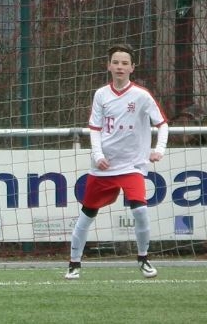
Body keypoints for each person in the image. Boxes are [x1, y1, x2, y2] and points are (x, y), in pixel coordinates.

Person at [65, 44, 169, 280]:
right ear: (108, 66)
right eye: (116, 62)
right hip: (104, 167)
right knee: (87, 215)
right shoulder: (101, 95)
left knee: (140, 210)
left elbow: (162, 124)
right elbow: (95, 129)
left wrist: (159, 149)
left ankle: (143, 259)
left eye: (125, 63)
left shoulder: (141, 96)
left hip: (132, 166)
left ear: (132, 68)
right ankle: (74, 263)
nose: (120, 67)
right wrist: (98, 156)